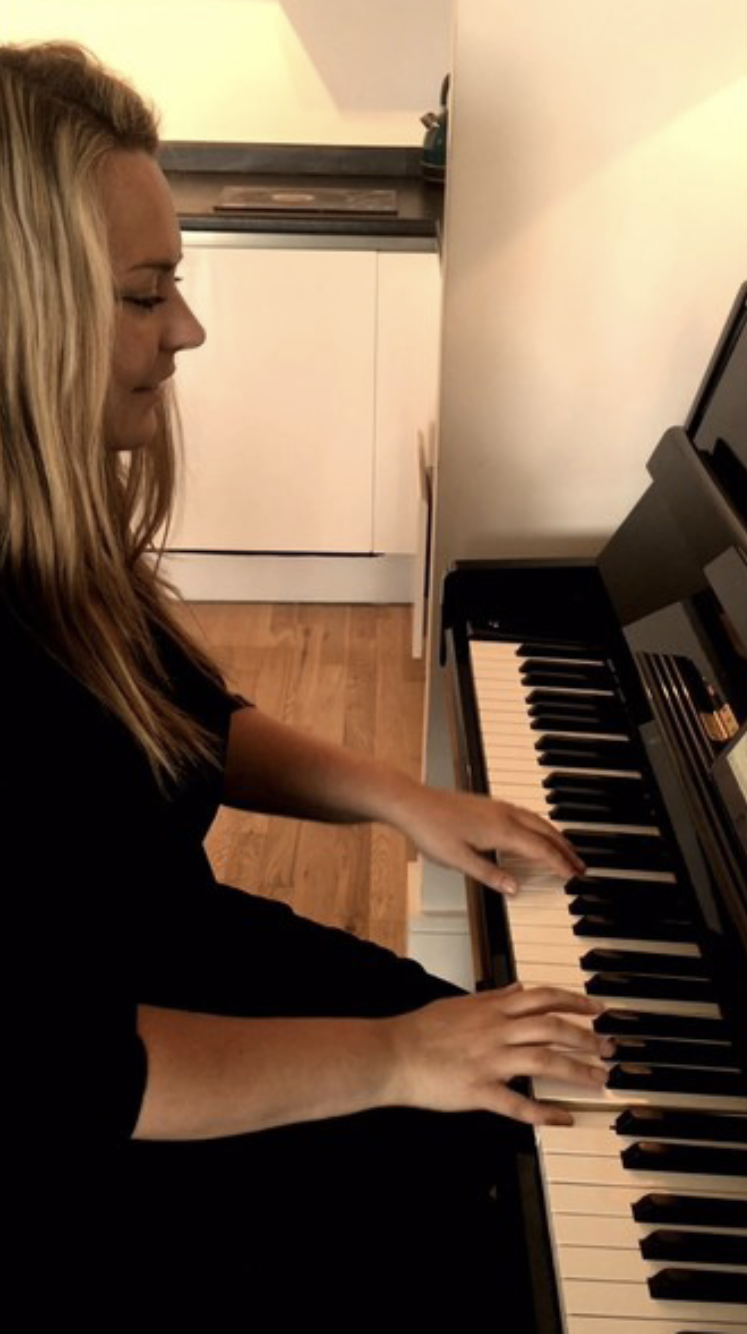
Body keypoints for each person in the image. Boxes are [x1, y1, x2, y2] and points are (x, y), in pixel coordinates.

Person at [1, 41, 610, 1320]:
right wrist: (395, 1057)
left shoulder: (52, 544)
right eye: (146, 293)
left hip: (186, 969)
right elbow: (72, 1073)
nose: (188, 327)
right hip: (110, 1134)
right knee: (505, 1195)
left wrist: (403, 799)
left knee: (527, 1087)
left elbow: (181, 722)